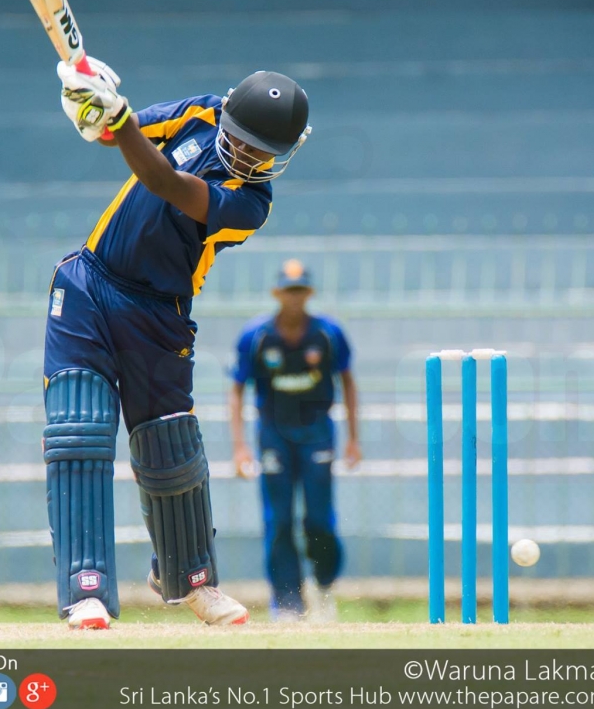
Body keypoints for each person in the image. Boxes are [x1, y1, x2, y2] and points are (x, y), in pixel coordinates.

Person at [42, 58, 312, 629]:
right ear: (227, 116)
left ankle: (189, 578)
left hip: (159, 316)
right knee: (80, 429)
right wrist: (89, 107)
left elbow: (165, 183)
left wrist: (118, 121)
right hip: (89, 284)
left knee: (169, 447)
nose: (247, 154)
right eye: (241, 139)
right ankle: (86, 590)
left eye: (262, 151)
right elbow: (121, 133)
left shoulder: (251, 204)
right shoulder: (201, 113)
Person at [230, 260, 361, 621]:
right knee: (279, 519)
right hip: (274, 434)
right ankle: (287, 601)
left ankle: (324, 585)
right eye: (289, 291)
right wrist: (240, 447)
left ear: (309, 293)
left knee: (319, 518)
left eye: (300, 290)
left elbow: (348, 382)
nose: (294, 297)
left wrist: (353, 439)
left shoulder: (328, 333)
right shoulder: (256, 336)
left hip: (317, 432)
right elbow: (237, 389)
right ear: (277, 293)